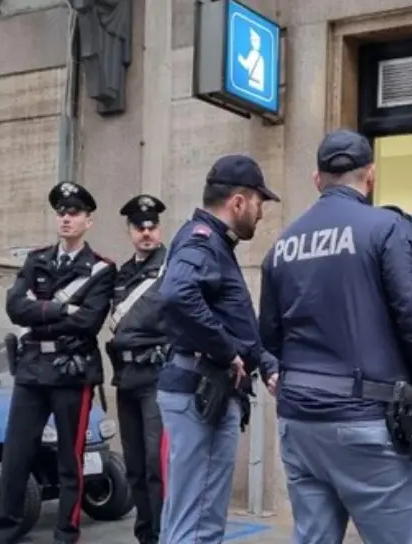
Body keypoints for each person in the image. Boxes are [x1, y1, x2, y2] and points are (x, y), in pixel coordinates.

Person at [259, 130, 412, 544]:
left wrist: (279, 374)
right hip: (368, 419)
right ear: (371, 175)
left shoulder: (283, 244)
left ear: (317, 179)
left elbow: (267, 337)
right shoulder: (387, 229)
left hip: (300, 423)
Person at [156, 154, 281, 544]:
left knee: (192, 519)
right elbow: (178, 294)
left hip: (201, 388)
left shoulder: (214, 243)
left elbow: (231, 319)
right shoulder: (204, 240)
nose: (261, 214)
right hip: (201, 390)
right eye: (259, 202)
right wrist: (227, 352)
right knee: (198, 525)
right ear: (239, 202)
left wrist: (264, 363)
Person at [0, 181, 116, 544]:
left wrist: (39, 310)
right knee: (15, 455)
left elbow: (88, 321)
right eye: (61, 212)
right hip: (32, 368)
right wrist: (63, 309)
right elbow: (15, 307)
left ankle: (66, 533)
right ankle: (5, 530)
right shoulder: (37, 259)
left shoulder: (101, 269)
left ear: (88, 221)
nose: (66, 218)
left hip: (72, 371)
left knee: (70, 460)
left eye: (74, 213)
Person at [107, 193, 171, 544]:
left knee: (156, 465)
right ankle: (145, 535)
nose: (147, 232)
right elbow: (123, 324)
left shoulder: (170, 267)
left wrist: (138, 332)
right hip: (126, 378)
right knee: (134, 465)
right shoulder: (122, 274)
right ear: (130, 231)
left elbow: (158, 320)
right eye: (139, 227)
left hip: (156, 376)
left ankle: (163, 534)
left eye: (152, 226)